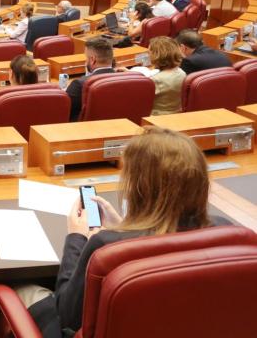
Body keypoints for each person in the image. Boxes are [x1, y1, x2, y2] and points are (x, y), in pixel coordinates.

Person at [23, 126, 221, 337]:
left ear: (139, 188)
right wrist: (125, 227)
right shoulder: (225, 231)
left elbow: (68, 315)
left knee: (22, 289)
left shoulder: (105, 246)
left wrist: (76, 237)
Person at [67, 37, 115, 121]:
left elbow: (63, 110)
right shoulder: (126, 79)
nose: (85, 62)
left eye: (86, 58)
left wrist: (86, 77)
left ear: (92, 60)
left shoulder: (80, 84)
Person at [145, 36, 186, 116]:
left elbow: (140, 100)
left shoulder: (156, 80)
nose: (148, 55)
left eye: (149, 52)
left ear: (156, 55)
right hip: (176, 114)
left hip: (155, 118)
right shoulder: (181, 72)